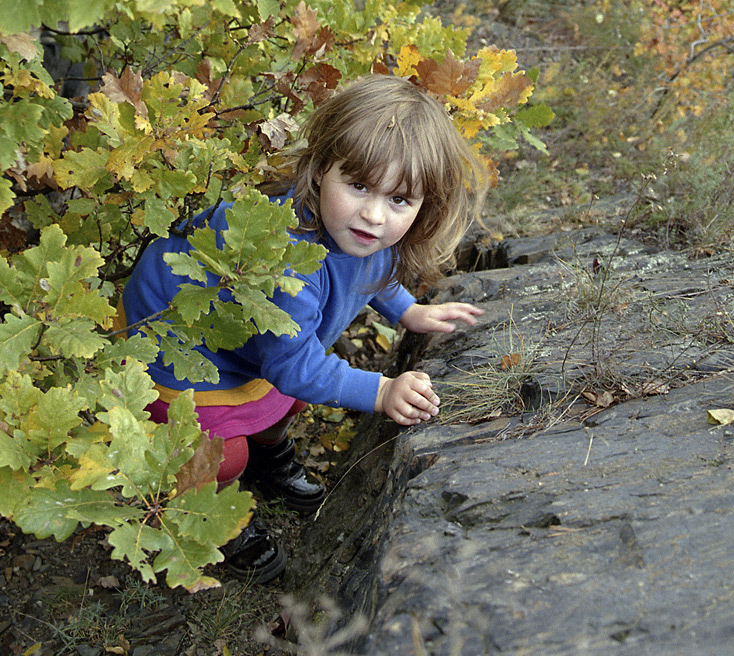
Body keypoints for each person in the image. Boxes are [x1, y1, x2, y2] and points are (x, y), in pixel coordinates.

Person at [119, 74, 488, 583]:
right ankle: (211, 512)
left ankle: (271, 458)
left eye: (399, 199)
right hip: (178, 340)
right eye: (358, 185)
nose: (374, 215)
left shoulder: (359, 232)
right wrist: (381, 391)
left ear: (425, 204)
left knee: (285, 399)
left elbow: (372, 272)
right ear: (319, 172)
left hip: (249, 346)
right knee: (223, 455)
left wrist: (406, 310)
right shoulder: (287, 263)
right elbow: (294, 366)